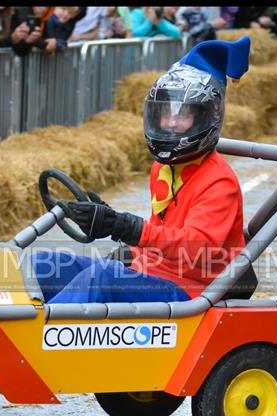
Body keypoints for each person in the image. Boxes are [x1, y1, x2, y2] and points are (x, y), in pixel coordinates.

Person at [33, 37, 252, 304]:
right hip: (150, 272)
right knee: (44, 263)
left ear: (209, 115)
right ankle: (2, 317)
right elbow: (161, 238)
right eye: (165, 112)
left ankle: (28, 338)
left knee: (102, 276)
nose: (171, 122)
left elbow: (197, 248)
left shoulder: (219, 181)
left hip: (190, 292)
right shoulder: (163, 167)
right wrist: (117, 231)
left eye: (183, 115)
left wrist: (127, 227)